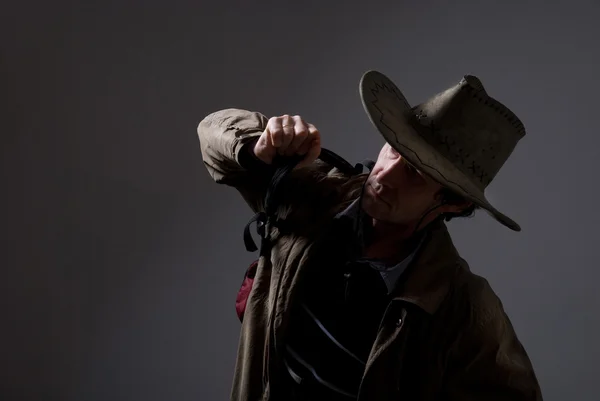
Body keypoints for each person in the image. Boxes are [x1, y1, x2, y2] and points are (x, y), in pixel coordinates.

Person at [198, 70, 543, 401]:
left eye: (416, 173)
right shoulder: (316, 196)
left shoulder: (461, 306)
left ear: (451, 202)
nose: (385, 176)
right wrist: (261, 144)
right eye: (394, 148)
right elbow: (212, 132)